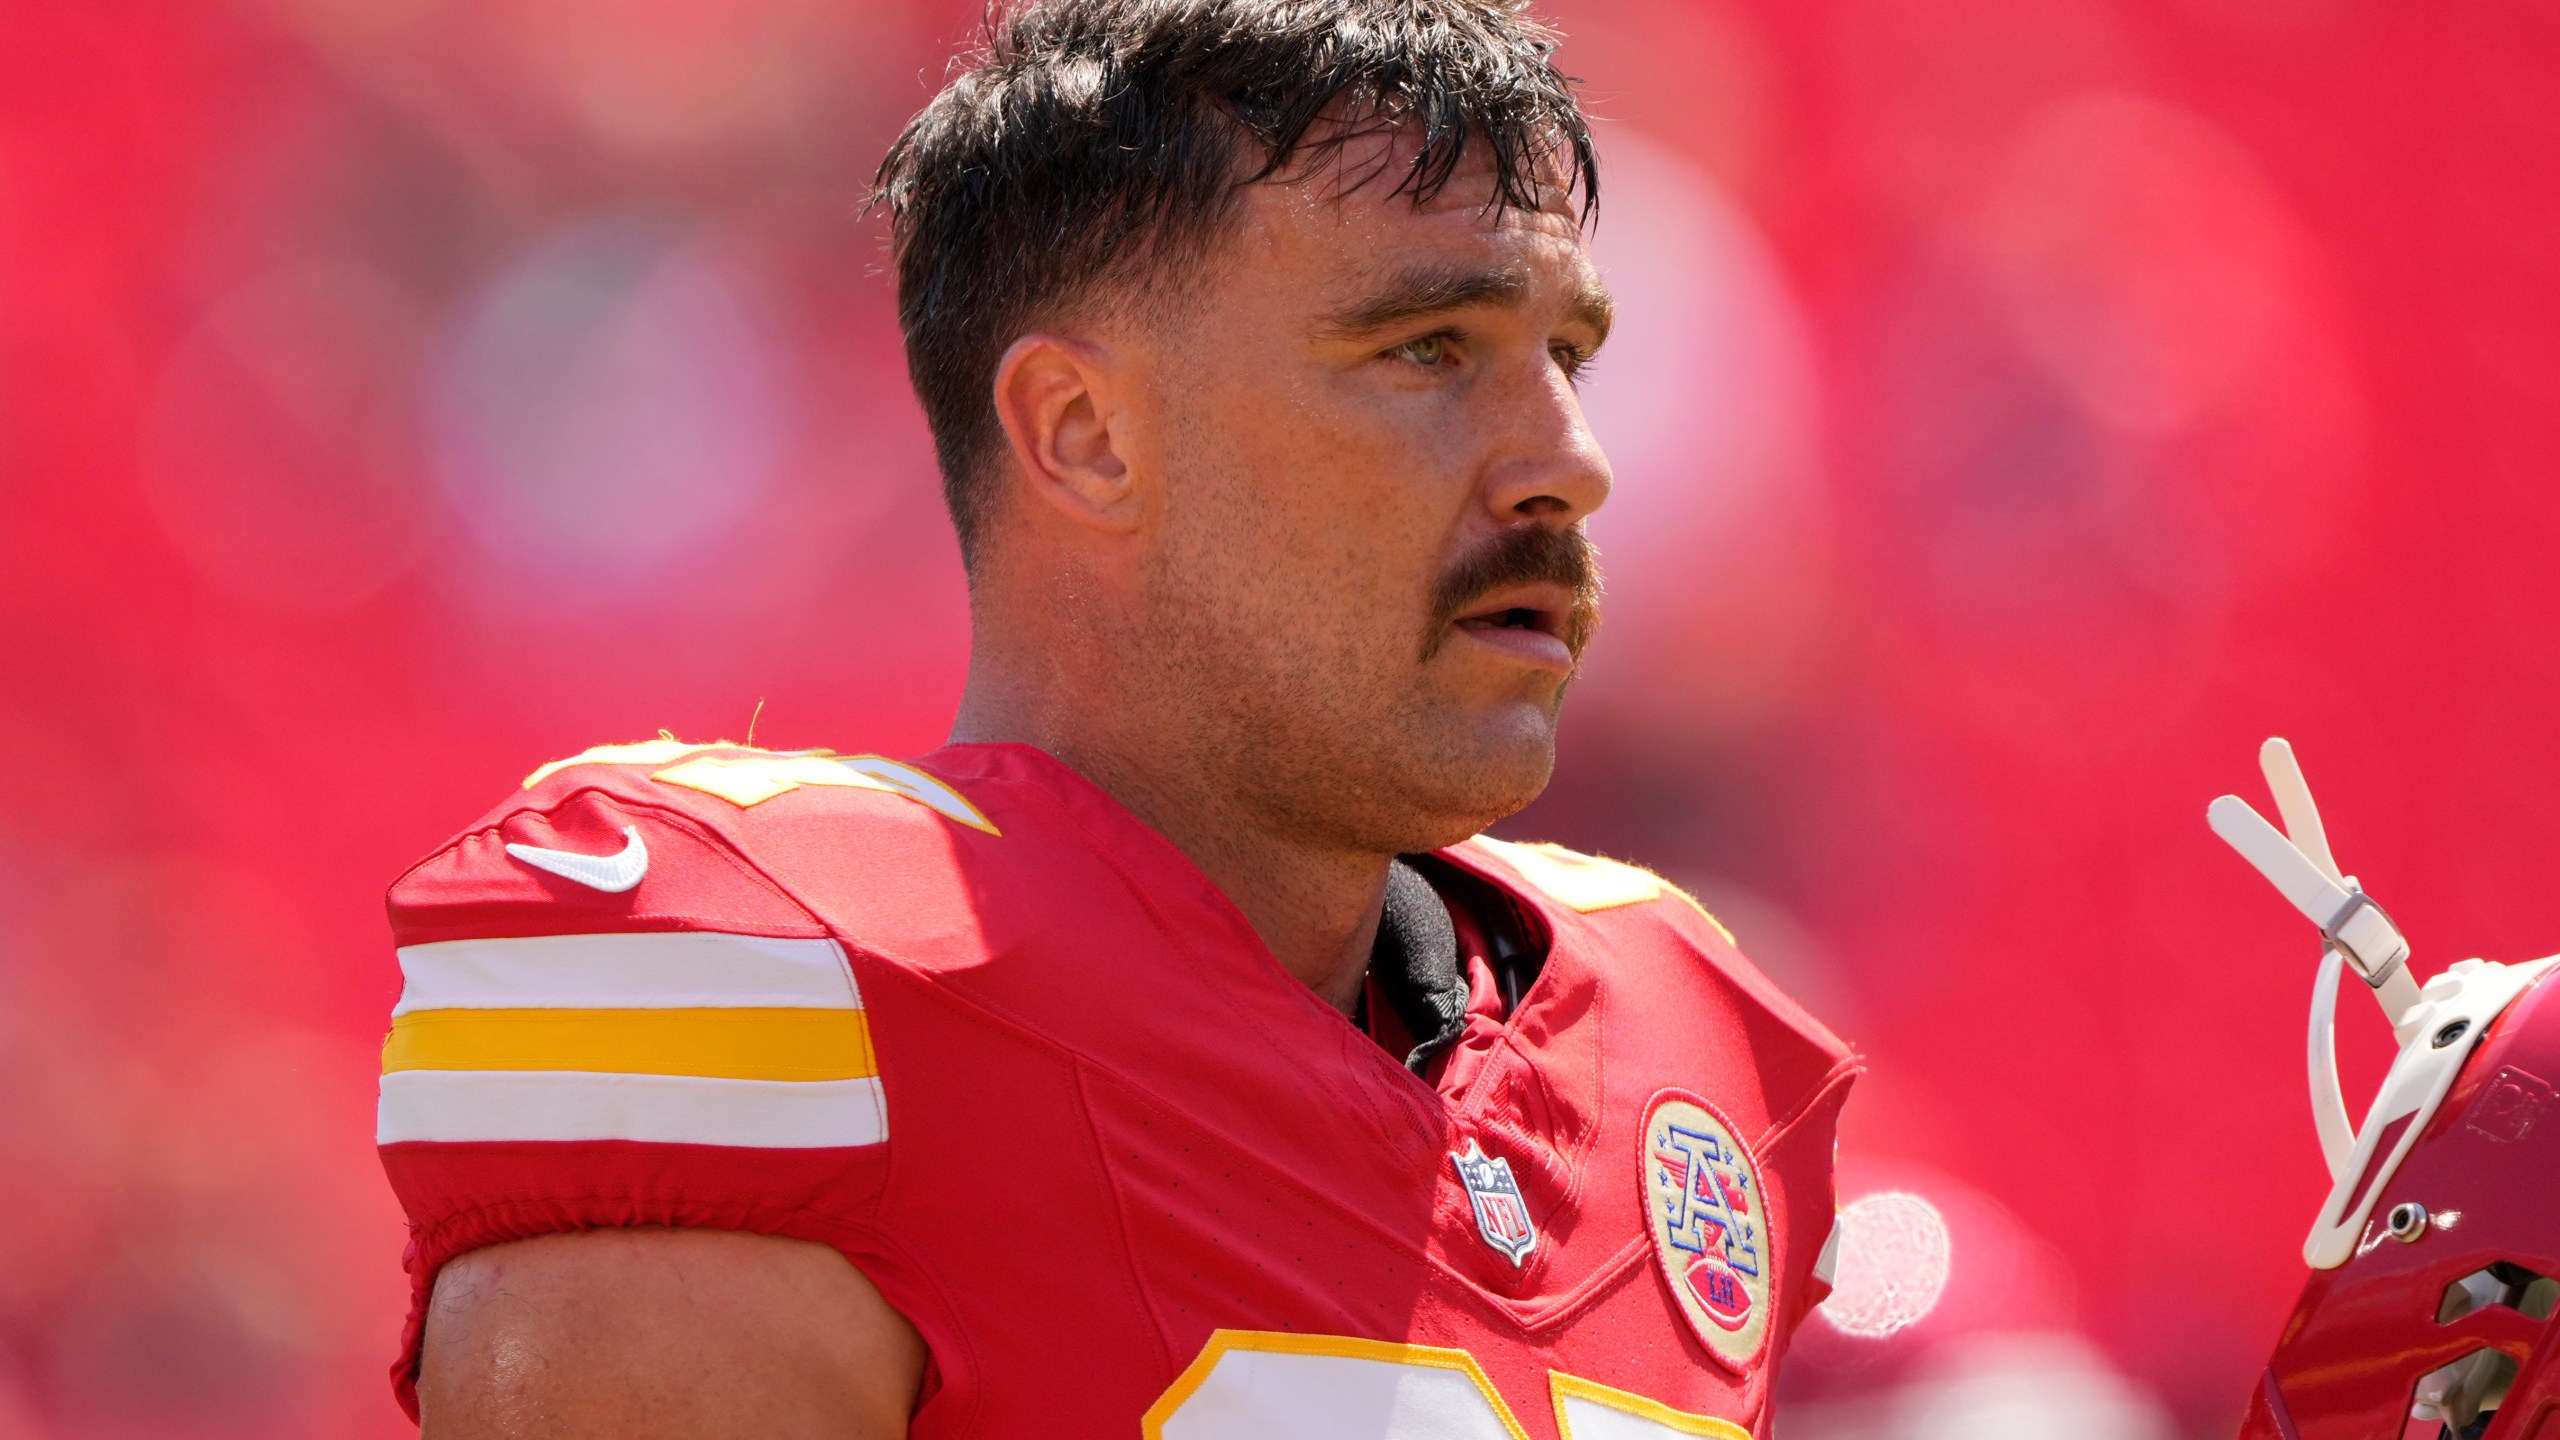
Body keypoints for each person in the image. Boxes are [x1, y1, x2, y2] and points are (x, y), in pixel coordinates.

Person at [373, 1, 1858, 1435]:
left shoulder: (1692, 1043)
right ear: (1085, 436)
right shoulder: (780, 1005)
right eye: (1426, 350)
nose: (1570, 462)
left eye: (1568, 361)